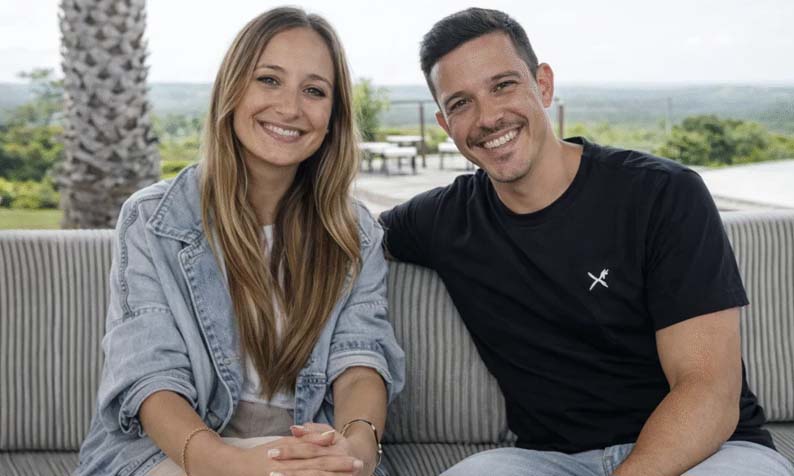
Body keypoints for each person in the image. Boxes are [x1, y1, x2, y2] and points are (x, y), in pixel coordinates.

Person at [379, 7, 793, 476]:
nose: (488, 117)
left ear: (543, 85)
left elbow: (708, 392)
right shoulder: (444, 218)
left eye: (503, 85)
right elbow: (343, 237)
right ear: (444, 123)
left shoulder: (661, 193)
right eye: (461, 103)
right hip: (549, 461)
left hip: (707, 453)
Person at [76, 7, 404, 476]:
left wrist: (357, 450)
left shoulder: (354, 232)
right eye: (269, 80)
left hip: (302, 448)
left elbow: (360, 360)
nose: (290, 108)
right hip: (174, 453)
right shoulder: (153, 219)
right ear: (231, 91)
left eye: (314, 90)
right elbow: (151, 378)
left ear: (333, 117)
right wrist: (231, 464)